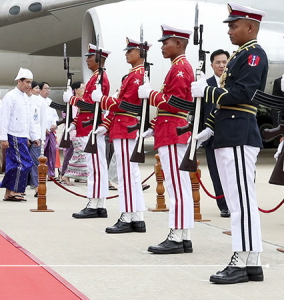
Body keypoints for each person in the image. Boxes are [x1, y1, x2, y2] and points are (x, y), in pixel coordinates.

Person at [192, 4, 268, 284]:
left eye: (234, 25)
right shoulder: (240, 56)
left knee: (241, 203)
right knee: (238, 201)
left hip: (239, 133)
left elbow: (242, 94)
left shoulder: (253, 56)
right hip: (229, 131)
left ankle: (243, 258)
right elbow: (228, 101)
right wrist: (209, 128)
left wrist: (208, 90)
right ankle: (252, 262)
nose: (229, 30)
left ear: (250, 27)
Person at [138, 24, 195, 254]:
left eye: (166, 42)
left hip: (173, 132)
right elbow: (170, 109)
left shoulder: (180, 69)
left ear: (178, 44)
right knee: (178, 186)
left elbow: (175, 103)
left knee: (177, 187)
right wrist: (153, 126)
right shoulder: (177, 67)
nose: (162, 46)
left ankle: (177, 235)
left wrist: (150, 95)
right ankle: (183, 235)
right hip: (168, 128)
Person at [98, 37, 148, 234]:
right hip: (123, 126)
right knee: (131, 175)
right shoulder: (133, 75)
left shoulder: (136, 76)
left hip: (126, 126)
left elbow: (124, 104)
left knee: (127, 175)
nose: (127, 53)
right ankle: (137, 216)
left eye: (130, 50)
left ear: (139, 53)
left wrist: (102, 100)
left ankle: (128, 216)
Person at [64, 44, 111, 219]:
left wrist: (73, 100)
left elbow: (93, 106)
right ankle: (97, 203)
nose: (87, 59)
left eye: (90, 57)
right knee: (94, 167)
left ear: (98, 59)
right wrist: (75, 123)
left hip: (93, 127)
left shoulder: (100, 78)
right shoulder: (94, 78)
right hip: (86, 127)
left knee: (96, 168)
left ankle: (95, 203)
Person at [0, 68, 35, 202]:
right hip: (13, 135)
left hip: (22, 135)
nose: (29, 85)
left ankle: (9, 192)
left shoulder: (25, 97)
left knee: (15, 164)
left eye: (31, 82)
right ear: (19, 81)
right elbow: (4, 118)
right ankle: (15, 190)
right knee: (24, 163)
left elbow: (29, 119)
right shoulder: (10, 96)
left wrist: (32, 136)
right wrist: (3, 138)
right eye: (27, 82)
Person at [203, 49, 231, 218]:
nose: (221, 65)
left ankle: (234, 203)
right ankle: (223, 205)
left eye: (224, 62)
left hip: (230, 136)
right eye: (218, 62)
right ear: (212, 65)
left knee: (230, 172)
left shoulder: (233, 83)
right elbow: (200, 112)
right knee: (216, 173)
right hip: (212, 137)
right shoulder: (204, 85)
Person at [60, 82, 86, 184]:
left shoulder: (81, 101)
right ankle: (64, 175)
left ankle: (77, 175)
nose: (84, 89)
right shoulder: (72, 102)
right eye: (82, 88)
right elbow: (74, 117)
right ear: (75, 90)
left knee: (78, 155)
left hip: (81, 131)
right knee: (71, 155)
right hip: (73, 131)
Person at [27, 81, 46, 189]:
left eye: (39, 88)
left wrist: (42, 137)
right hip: (26, 136)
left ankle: (35, 182)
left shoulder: (41, 102)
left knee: (35, 160)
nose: (38, 90)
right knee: (25, 161)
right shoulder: (26, 100)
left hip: (37, 135)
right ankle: (26, 182)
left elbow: (42, 120)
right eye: (36, 88)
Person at [39, 82, 59, 178]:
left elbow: (55, 116)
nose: (48, 90)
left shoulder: (50, 101)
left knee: (52, 151)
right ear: (40, 90)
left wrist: (55, 125)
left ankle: (51, 173)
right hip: (41, 132)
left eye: (49, 88)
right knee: (41, 152)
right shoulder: (37, 101)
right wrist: (43, 128)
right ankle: (39, 173)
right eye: (46, 88)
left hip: (50, 132)